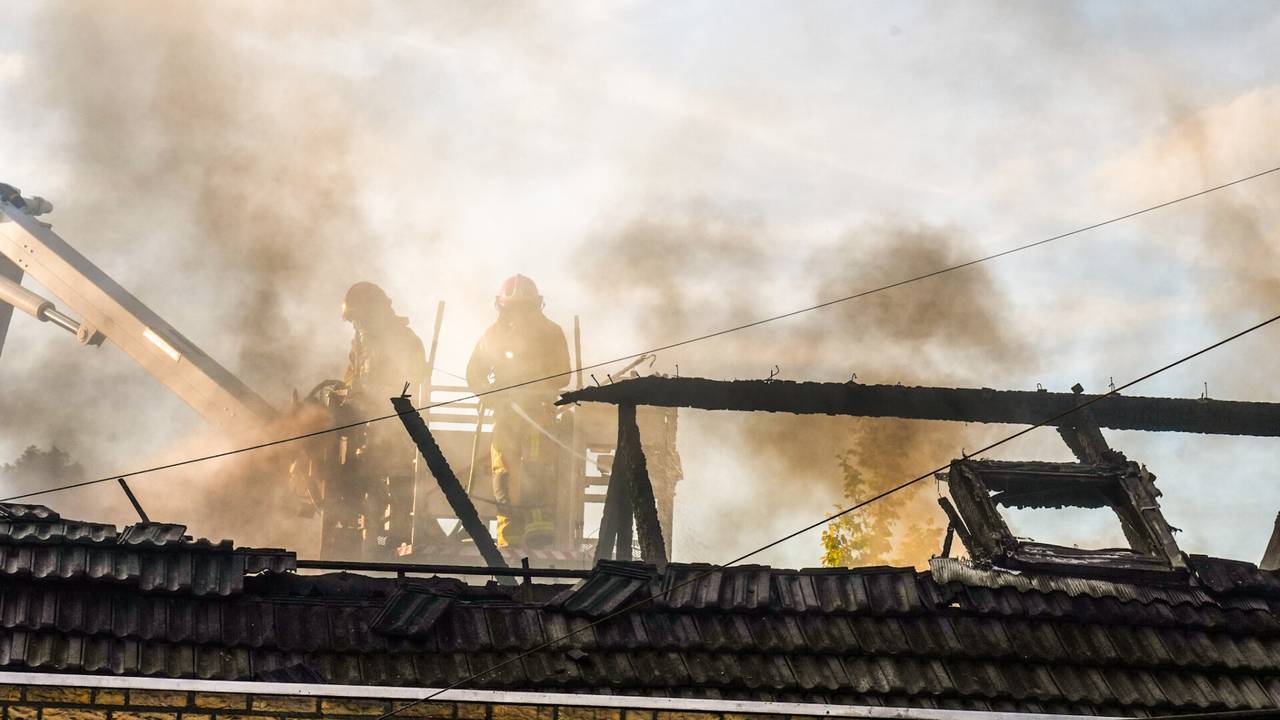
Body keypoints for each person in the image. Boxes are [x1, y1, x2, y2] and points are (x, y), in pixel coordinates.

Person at [466, 274, 571, 548]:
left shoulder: (551, 332)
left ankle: (538, 528)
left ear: (536, 305)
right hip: (505, 416)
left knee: (536, 466)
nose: (519, 314)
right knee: (504, 472)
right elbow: (474, 373)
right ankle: (508, 534)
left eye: (524, 307)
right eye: (513, 307)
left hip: (538, 415)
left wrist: (537, 386)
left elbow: (563, 374)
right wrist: (490, 396)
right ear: (502, 306)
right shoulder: (494, 334)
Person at [338, 281, 428, 555]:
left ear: (371, 312)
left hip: (396, 424)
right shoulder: (362, 342)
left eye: (359, 319)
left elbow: (414, 378)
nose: (356, 325)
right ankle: (372, 539)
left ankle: (394, 538)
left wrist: (383, 398)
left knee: (398, 478)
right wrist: (346, 396)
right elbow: (352, 378)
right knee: (368, 481)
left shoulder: (404, 340)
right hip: (367, 425)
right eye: (354, 321)